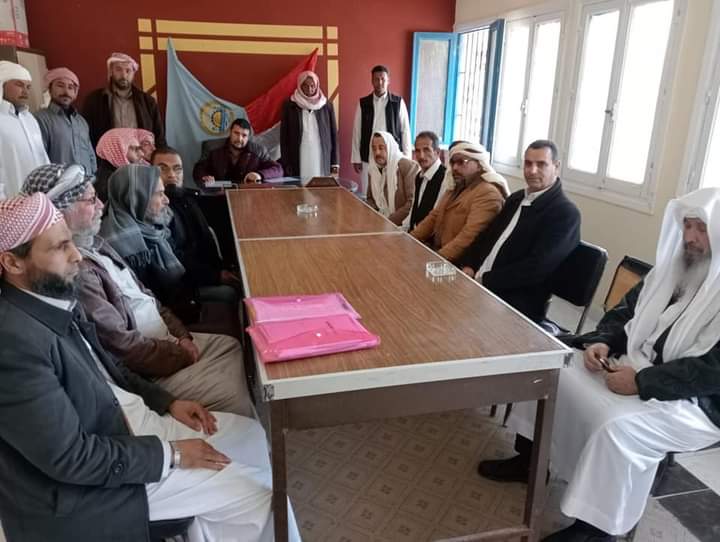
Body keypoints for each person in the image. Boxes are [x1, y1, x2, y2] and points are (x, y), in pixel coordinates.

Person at [0, 192, 301, 542]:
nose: (77, 255)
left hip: (128, 425)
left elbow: (110, 370)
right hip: (89, 488)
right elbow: (71, 458)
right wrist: (171, 454)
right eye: (60, 247)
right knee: (262, 499)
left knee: (249, 435)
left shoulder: (52, 299)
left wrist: (167, 402)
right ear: (13, 263)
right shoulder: (13, 342)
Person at [479, 188, 720, 542]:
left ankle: (596, 529)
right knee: (553, 373)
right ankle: (530, 461)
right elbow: (623, 314)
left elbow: (712, 371)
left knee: (615, 428)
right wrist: (602, 341)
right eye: (687, 226)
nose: (691, 238)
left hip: (695, 399)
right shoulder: (669, 270)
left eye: (701, 229)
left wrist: (643, 381)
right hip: (633, 364)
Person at [21, 164, 251, 416]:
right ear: (60, 212)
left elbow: (148, 297)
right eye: (91, 200)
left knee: (231, 346)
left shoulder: (97, 244)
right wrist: (180, 353)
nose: (101, 205)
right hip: (150, 367)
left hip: (166, 341)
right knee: (233, 397)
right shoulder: (78, 271)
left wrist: (182, 336)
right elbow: (124, 347)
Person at [458, 140, 581, 323]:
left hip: (512, 303)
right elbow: (486, 236)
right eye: (528, 163)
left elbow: (535, 268)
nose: (532, 171)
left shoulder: (565, 213)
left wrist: (483, 280)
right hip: (479, 285)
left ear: (556, 167)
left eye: (541, 164)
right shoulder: (516, 199)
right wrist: (469, 264)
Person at [151, 147, 241, 304]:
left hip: (209, 268)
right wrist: (217, 276)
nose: (172, 175)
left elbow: (207, 236)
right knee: (233, 294)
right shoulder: (155, 210)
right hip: (186, 285)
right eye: (163, 169)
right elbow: (176, 259)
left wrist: (224, 267)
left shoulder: (187, 197)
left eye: (177, 169)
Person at [410, 142, 507, 263]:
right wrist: (408, 239)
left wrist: (435, 260)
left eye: (461, 162)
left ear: (479, 165)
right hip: (439, 254)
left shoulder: (488, 193)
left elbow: (469, 236)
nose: (455, 168)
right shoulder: (456, 187)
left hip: (460, 263)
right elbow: (433, 217)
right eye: (453, 163)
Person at [82, 52, 165, 149]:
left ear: (133, 73)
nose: (124, 75)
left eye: (128, 70)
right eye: (118, 69)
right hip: (106, 157)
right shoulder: (95, 100)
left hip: (141, 157)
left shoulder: (148, 102)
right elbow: (86, 137)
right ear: (111, 71)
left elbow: (159, 138)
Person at [351, 65, 412, 195]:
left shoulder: (397, 103)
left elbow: (405, 130)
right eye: (376, 79)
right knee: (368, 191)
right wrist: (356, 158)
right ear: (371, 81)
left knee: (391, 191)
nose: (379, 83)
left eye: (383, 79)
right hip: (368, 155)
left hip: (392, 155)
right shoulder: (363, 103)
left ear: (388, 80)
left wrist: (406, 157)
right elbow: (357, 131)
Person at [34, 67, 97, 176]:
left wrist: (93, 178)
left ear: (75, 92)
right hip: (58, 182)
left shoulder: (81, 121)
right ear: (50, 89)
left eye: (70, 87)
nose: (66, 92)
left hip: (86, 182)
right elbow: (39, 156)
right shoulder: (40, 119)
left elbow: (90, 154)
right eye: (60, 86)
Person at [0, 61, 49, 198]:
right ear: (2, 85)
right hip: (9, 200)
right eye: (19, 85)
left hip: (39, 198)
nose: (25, 91)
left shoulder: (29, 119)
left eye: (28, 87)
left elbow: (42, 157)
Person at [280, 70, 339, 179]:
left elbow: (333, 135)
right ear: (299, 86)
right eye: (305, 86)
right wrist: (286, 163)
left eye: (312, 86)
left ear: (317, 86)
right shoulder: (290, 105)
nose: (309, 89)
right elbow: (284, 138)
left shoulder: (326, 105)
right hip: (299, 154)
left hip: (320, 153)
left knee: (319, 184)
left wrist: (334, 162)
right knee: (301, 184)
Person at [193, 118, 283, 185]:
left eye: (244, 135)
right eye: (236, 133)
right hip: (218, 194)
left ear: (248, 137)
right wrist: (205, 176)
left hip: (246, 194)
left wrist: (260, 175)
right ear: (230, 132)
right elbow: (199, 168)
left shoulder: (258, 150)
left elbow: (278, 169)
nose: (239, 139)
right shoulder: (212, 147)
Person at [366, 131, 420, 226]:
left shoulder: (407, 166)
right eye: (374, 149)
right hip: (379, 221)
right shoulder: (373, 169)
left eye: (381, 148)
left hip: (401, 224)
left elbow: (411, 203)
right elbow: (370, 199)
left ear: (390, 147)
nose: (377, 153)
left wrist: (388, 222)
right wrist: (375, 219)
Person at [405, 131, 448, 231]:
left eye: (426, 150)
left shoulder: (445, 178)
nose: (421, 156)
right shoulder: (419, 176)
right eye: (417, 151)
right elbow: (414, 209)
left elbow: (436, 217)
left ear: (437, 152)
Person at [94, 127, 146, 201]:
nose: (142, 154)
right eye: (135, 149)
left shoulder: (122, 176)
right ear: (117, 151)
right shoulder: (110, 184)